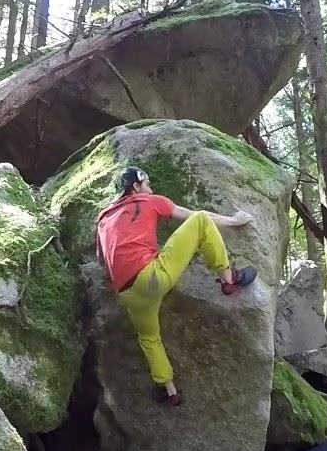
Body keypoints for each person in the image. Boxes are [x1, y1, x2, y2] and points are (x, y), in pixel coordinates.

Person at [97, 166, 257, 406]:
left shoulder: (104, 219)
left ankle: (169, 390)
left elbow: (102, 259)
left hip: (127, 293)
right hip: (151, 275)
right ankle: (229, 279)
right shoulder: (149, 200)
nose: (151, 188)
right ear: (136, 187)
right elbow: (195, 215)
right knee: (201, 221)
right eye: (148, 183)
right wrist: (234, 221)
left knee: (149, 337)